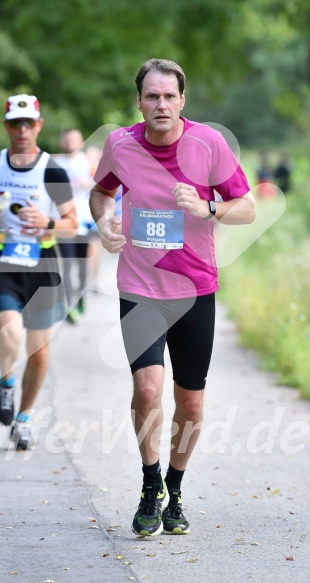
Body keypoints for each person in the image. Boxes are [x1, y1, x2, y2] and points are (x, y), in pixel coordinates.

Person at [90, 59, 256, 536]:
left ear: (182, 100)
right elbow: (100, 194)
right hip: (140, 288)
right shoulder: (120, 144)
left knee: (192, 402)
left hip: (195, 290)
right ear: (139, 101)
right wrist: (104, 224)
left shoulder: (209, 143)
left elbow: (246, 208)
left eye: (169, 96)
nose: (160, 104)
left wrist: (207, 206)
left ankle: (176, 490)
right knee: (146, 388)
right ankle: (149, 483)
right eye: (151, 96)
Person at [0, 94, 77, 450]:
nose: (23, 130)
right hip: (0, 263)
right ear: (7, 126)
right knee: (10, 335)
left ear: (39, 125)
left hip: (41, 266)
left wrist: (48, 222)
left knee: (39, 350)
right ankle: (6, 380)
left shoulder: (53, 171)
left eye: (29, 123)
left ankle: (25, 418)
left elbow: (72, 224)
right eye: (16, 123)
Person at [53, 129, 94, 321]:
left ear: (81, 142)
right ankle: (68, 304)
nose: (70, 144)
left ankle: (82, 295)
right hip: (63, 221)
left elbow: (102, 185)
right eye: (67, 140)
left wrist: (90, 183)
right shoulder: (56, 164)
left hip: (83, 220)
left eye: (74, 140)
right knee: (67, 264)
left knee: (82, 262)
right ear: (63, 142)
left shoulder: (87, 162)